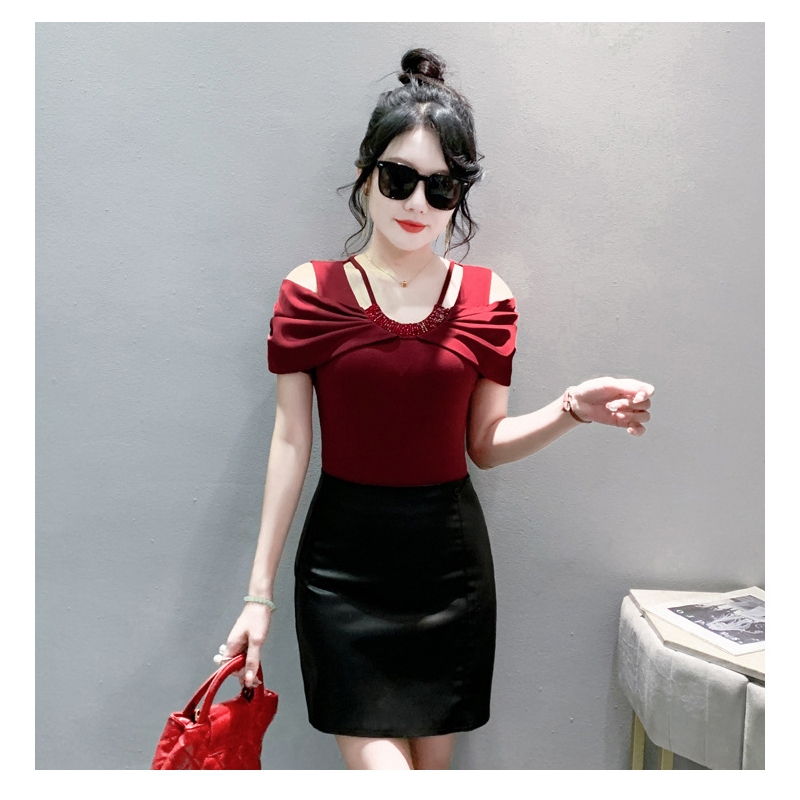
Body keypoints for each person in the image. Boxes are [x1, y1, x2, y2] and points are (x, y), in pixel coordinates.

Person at [222, 48, 654, 770]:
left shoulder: (488, 299)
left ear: (459, 194)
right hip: (341, 571)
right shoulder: (311, 292)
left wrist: (572, 409)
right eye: (399, 178)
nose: (417, 204)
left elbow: (485, 442)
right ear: (365, 174)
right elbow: (291, 442)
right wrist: (257, 597)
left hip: (449, 569)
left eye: (441, 187)